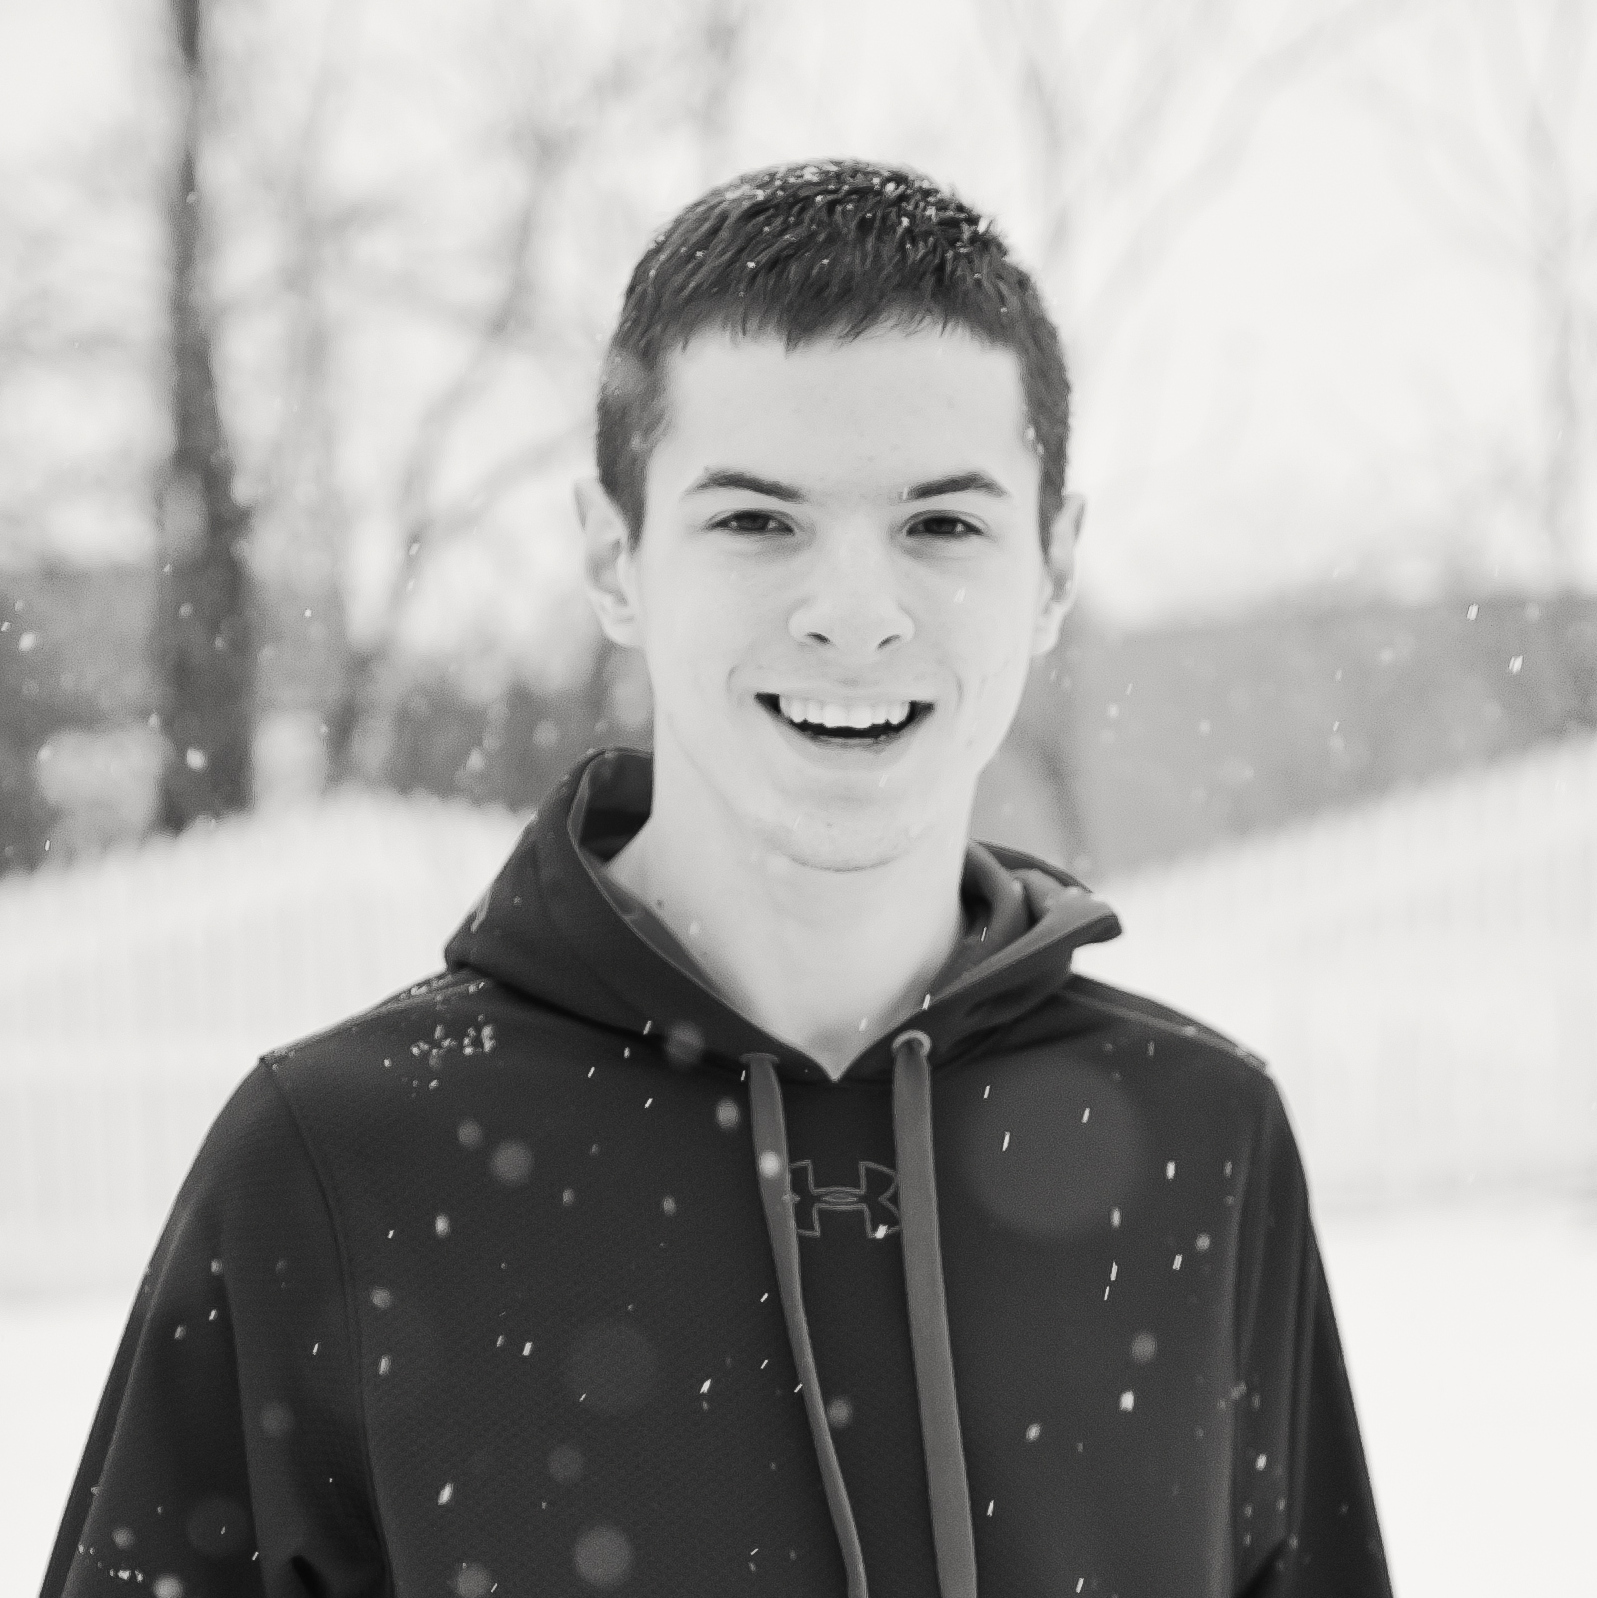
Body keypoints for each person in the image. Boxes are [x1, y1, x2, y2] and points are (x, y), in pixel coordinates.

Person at [43, 160, 1391, 1598]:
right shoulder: (336, 1161)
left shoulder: (1203, 1140)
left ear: (1054, 567)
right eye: (757, 521)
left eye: (942, 524)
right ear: (612, 556)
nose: (854, 615)